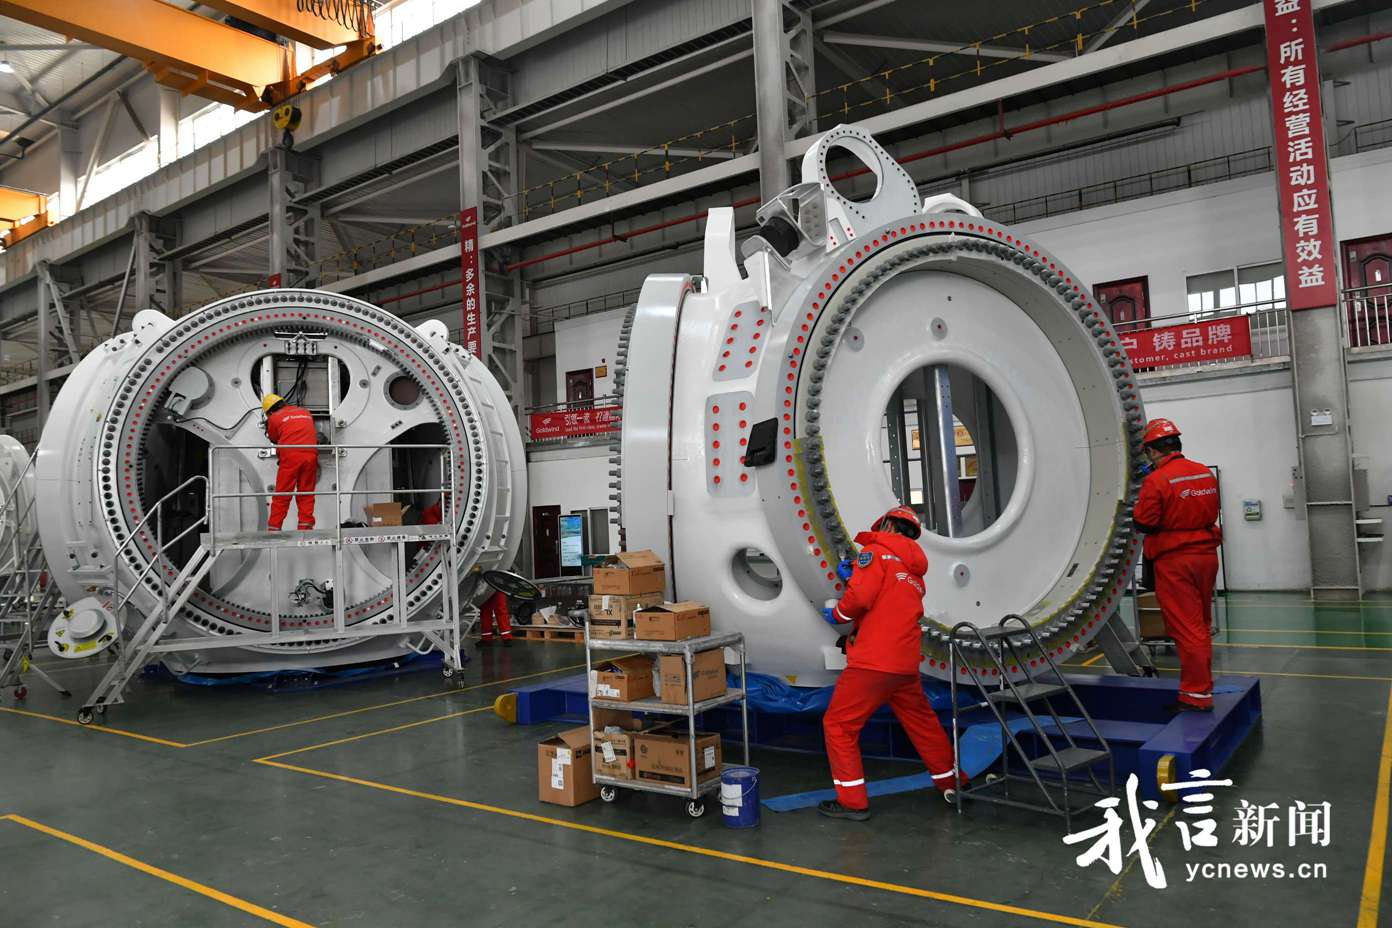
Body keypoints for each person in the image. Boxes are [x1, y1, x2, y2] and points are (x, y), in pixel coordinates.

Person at [817, 505, 960, 821]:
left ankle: (852, 801)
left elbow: (861, 599)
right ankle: (952, 783)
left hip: (873, 662)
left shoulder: (875, 552)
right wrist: (858, 574)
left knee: (839, 726)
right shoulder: (913, 572)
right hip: (904, 664)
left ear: (887, 525)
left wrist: (838, 613)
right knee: (922, 723)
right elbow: (889, 599)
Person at [1133, 418, 1222, 712]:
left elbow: (1144, 522)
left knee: (1186, 628)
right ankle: (1202, 686)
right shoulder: (1204, 472)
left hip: (1175, 560)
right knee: (1200, 623)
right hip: (1206, 556)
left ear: (1152, 451)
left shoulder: (1157, 481)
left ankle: (1196, 695)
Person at [261, 393, 319, 532]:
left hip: (290, 457)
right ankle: (305, 526)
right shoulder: (305, 412)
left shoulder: (274, 418)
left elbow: (274, 438)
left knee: (282, 494)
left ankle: (274, 527)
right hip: (311, 456)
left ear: (269, 412)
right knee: (306, 492)